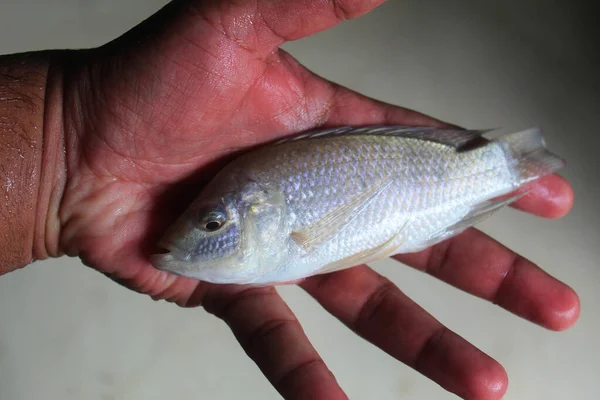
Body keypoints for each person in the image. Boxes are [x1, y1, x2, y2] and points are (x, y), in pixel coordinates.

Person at [0, 1, 579, 399]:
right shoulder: (255, 224)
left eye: (213, 221)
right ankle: (515, 165)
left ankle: (512, 164)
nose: (197, 230)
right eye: (211, 221)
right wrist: (57, 153)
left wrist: (60, 150)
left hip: (436, 176)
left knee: (502, 178)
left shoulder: (276, 230)